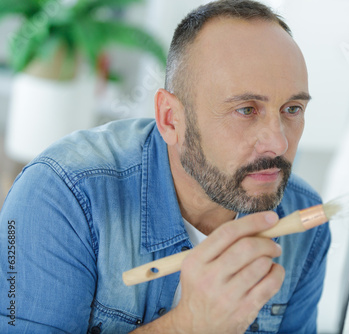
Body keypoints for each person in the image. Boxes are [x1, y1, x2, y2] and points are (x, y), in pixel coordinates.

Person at [0, 0, 331, 333]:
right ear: (171, 119)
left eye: (292, 109)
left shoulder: (305, 222)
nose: (278, 143)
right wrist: (188, 324)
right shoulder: (60, 196)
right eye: (246, 110)